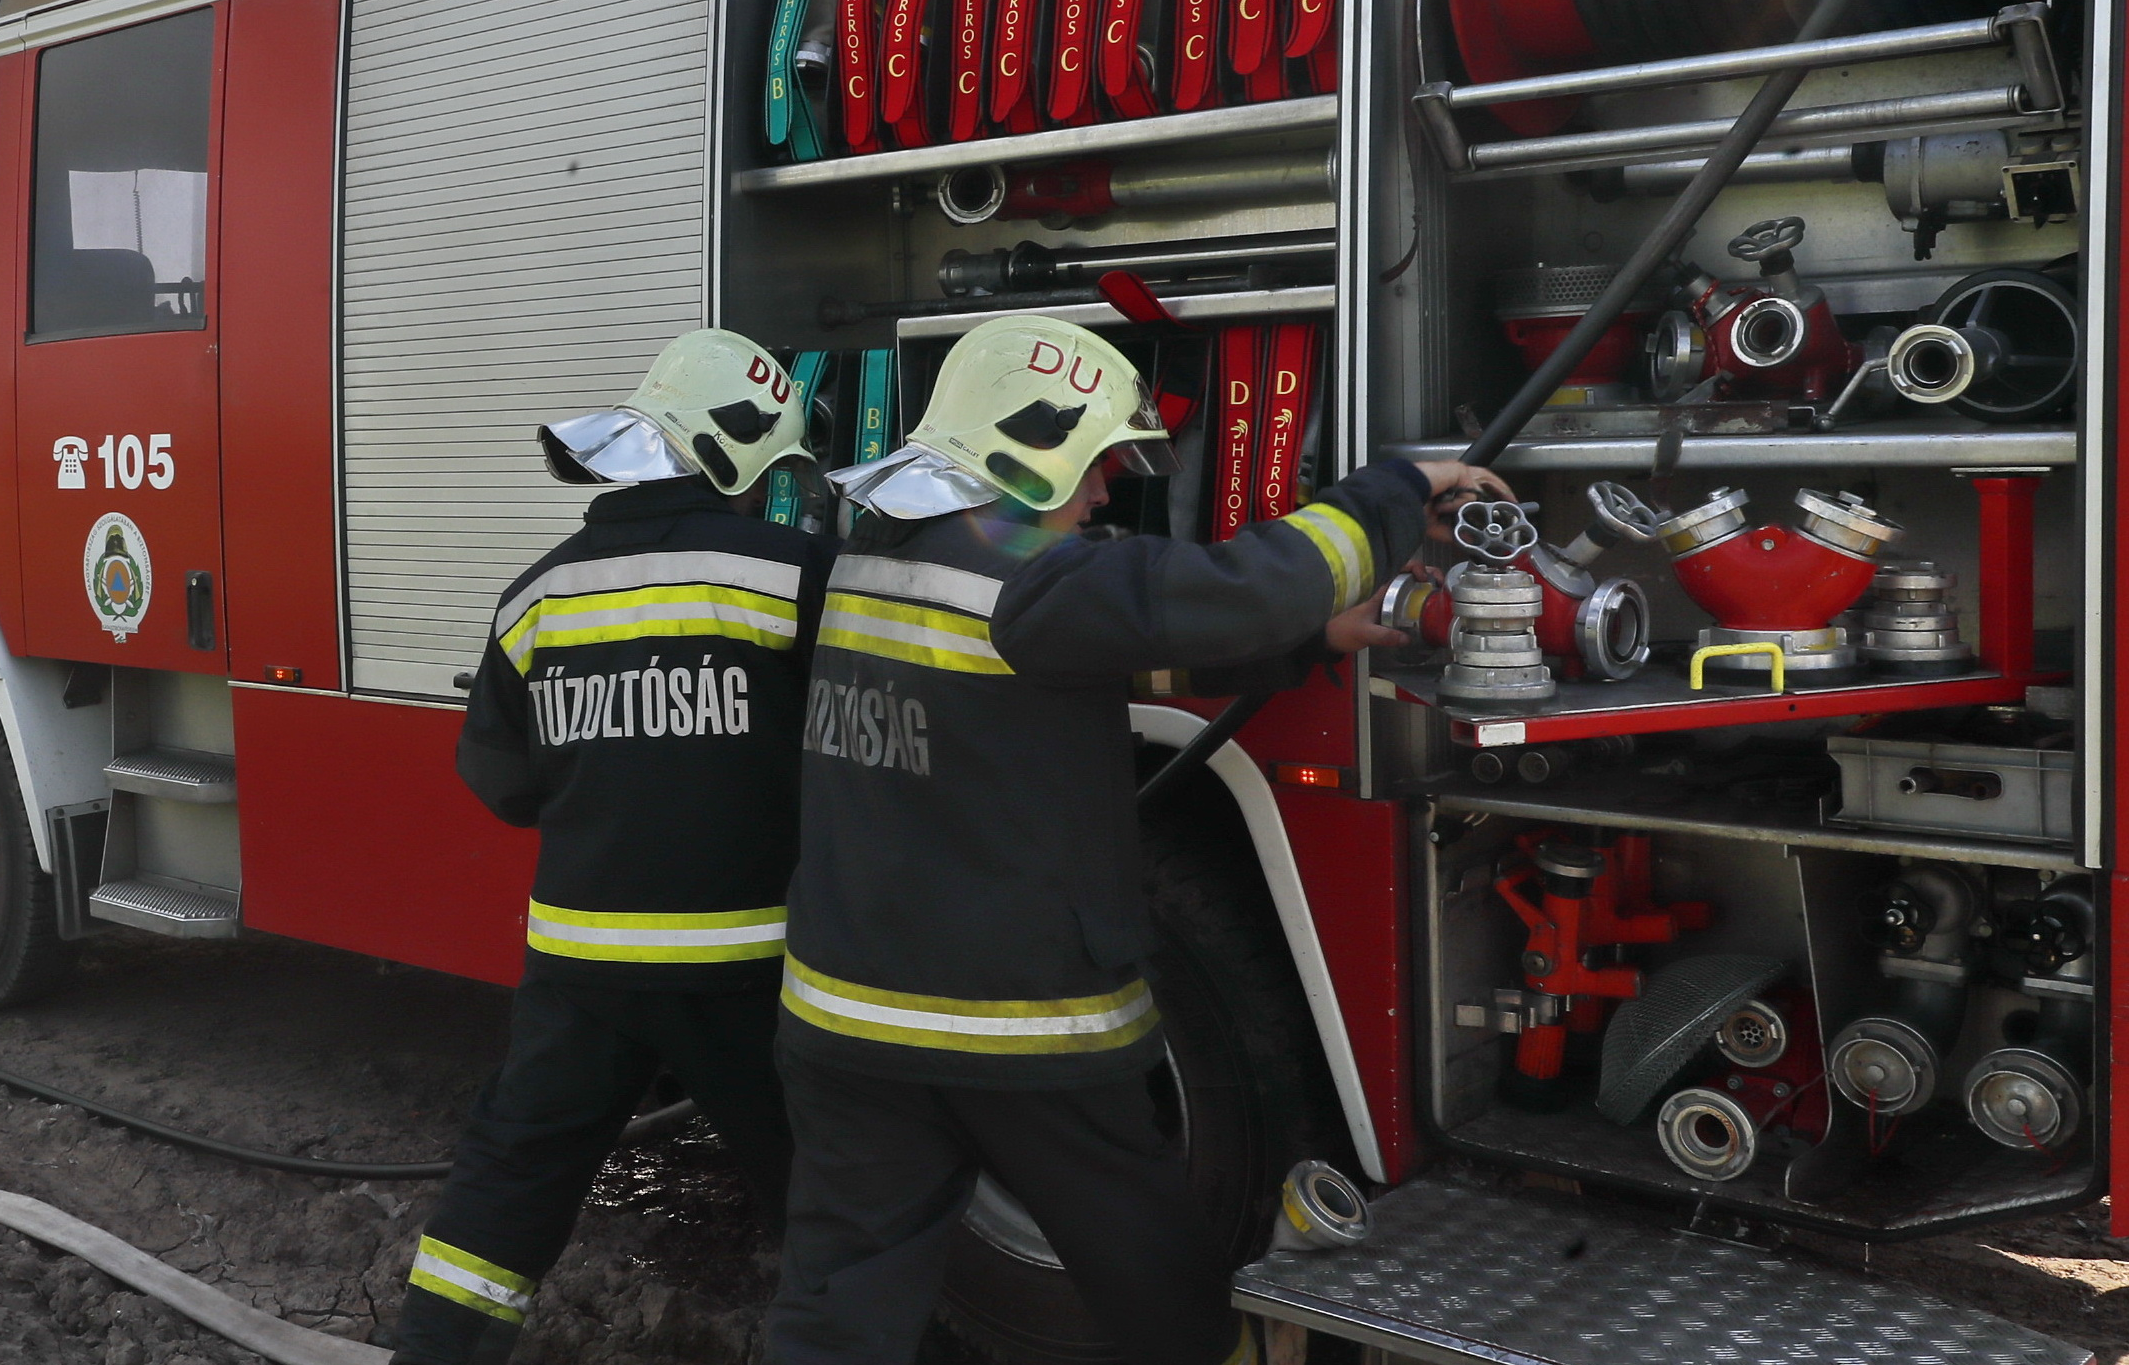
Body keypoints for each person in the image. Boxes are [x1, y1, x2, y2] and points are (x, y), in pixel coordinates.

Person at [766, 315, 1511, 1365]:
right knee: (1163, 1299)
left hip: (844, 1027)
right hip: (1016, 1039)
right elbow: (1251, 582)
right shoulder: (1035, 581)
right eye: (1096, 463)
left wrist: (1309, 641)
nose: (1107, 491)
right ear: (1029, 450)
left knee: (837, 1312)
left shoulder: (874, 560)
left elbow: (1065, 672)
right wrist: (1397, 487)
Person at [389, 330, 836, 1365]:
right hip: (746, 972)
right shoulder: (790, 575)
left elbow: (500, 783)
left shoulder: (535, 596)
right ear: (735, 458)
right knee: (823, 1192)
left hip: (581, 966)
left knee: (514, 1174)